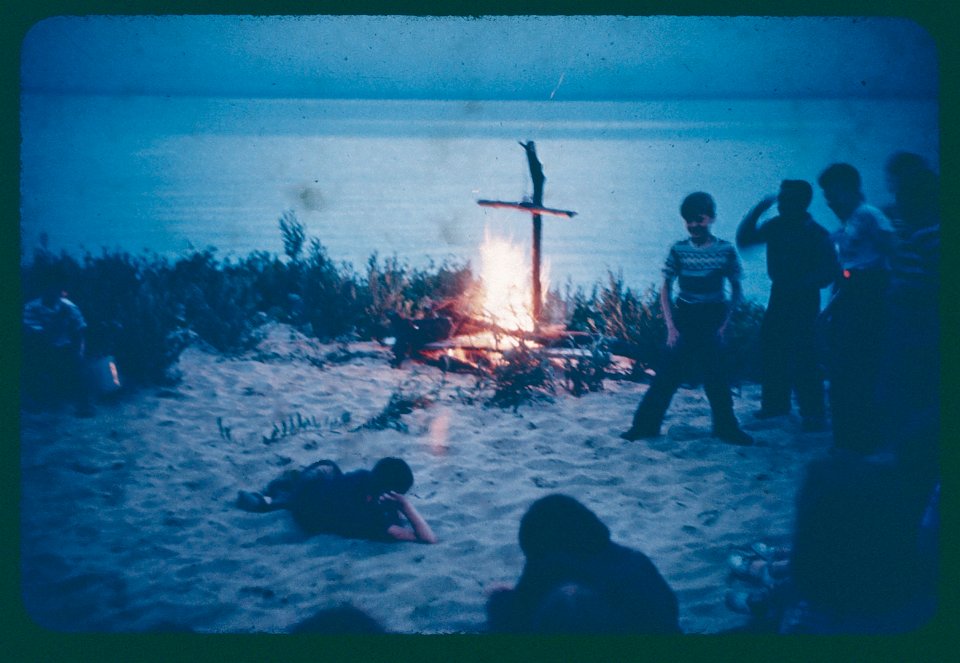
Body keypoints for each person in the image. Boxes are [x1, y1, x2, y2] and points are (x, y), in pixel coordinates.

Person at [621, 191, 753, 445]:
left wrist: (726, 324)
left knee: (716, 376)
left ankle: (726, 428)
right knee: (667, 376)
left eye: (699, 219)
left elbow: (736, 288)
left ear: (711, 218)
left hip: (713, 316)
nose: (694, 225)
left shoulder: (725, 250)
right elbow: (665, 287)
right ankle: (644, 427)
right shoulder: (678, 250)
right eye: (689, 220)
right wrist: (671, 327)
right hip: (685, 315)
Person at [486, 494, 680, 634]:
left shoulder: (557, 571)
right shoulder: (634, 562)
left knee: (569, 604)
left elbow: (519, 612)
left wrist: (500, 601)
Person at [736, 180, 838, 431]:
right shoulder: (776, 226)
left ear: (801, 202)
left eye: (787, 200)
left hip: (804, 298)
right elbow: (745, 240)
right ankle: (775, 406)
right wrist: (759, 209)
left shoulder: (816, 233)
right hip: (779, 294)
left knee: (805, 354)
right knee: (772, 348)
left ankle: (812, 413)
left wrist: (802, 282)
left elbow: (828, 273)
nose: (782, 205)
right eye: (781, 200)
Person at [817, 163, 896, 454]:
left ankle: (862, 440)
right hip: (851, 298)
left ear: (851, 189)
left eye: (834, 193)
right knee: (845, 372)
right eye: (826, 195)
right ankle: (848, 440)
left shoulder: (870, 216)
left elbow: (892, 252)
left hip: (869, 299)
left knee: (859, 371)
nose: (830, 201)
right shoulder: (848, 224)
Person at [236, 457, 437, 544]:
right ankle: (274, 498)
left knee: (328, 468)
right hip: (309, 516)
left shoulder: (363, 477)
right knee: (320, 478)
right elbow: (428, 538)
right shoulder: (379, 521)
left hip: (314, 500)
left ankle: (276, 495)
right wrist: (406, 506)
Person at [22, 276, 94, 416]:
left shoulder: (70, 307)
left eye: (57, 290)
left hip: (64, 346)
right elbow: (35, 335)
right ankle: (37, 402)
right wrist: (57, 321)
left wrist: (80, 352)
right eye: (50, 289)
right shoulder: (31, 308)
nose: (54, 293)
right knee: (32, 366)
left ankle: (84, 405)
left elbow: (80, 331)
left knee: (79, 366)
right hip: (41, 347)